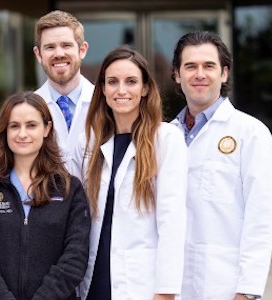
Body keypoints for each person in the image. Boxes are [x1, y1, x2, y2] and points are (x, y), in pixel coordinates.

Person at [69, 46, 187, 299]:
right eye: (112, 82)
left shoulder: (166, 139)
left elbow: (172, 222)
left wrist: (165, 291)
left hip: (141, 283)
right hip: (93, 280)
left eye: (131, 81)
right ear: (102, 89)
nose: (121, 90)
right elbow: (75, 215)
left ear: (145, 88)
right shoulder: (87, 143)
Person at [170, 31, 272, 300]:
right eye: (190, 66)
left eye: (209, 66)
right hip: (171, 285)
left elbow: (261, 219)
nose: (200, 74)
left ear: (224, 74)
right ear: (177, 75)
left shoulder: (251, 133)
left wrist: (248, 290)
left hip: (224, 286)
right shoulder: (163, 135)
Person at [0, 91, 90, 299]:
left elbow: (75, 257)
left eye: (31, 125)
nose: (22, 134)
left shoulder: (70, 189)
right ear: (5, 131)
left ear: (47, 128)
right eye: (14, 126)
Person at [33, 10, 94, 161]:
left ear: (82, 50)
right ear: (38, 54)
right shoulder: (28, 108)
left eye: (66, 45)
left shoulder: (105, 104)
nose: (59, 53)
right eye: (50, 47)